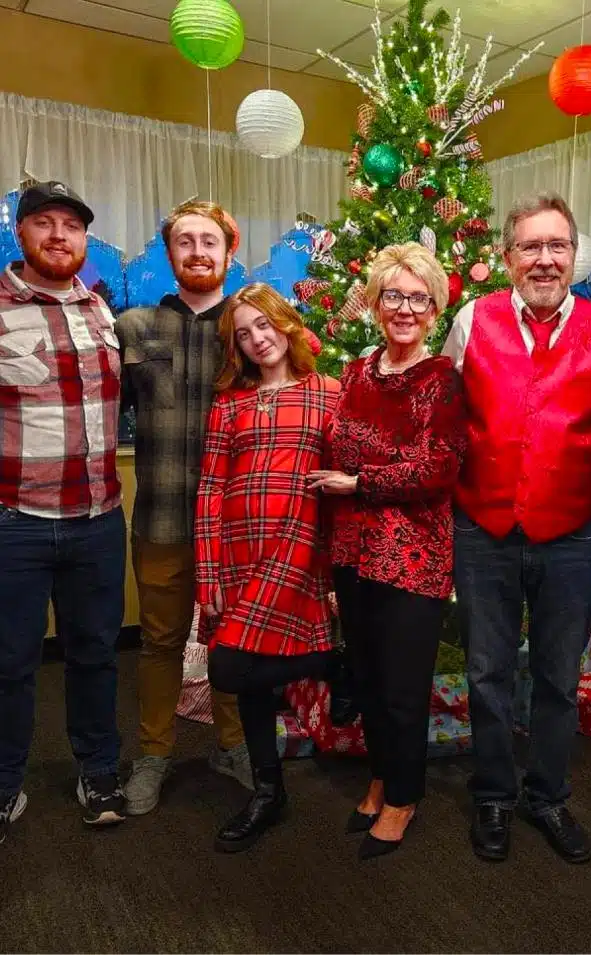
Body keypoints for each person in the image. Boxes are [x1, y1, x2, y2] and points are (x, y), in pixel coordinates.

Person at [442, 194, 591, 864]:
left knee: (557, 675)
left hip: (571, 530)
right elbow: (445, 413)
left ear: (573, 254)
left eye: (557, 246)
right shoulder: (471, 319)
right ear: (507, 257)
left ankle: (546, 794)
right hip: (483, 526)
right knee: (485, 670)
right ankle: (492, 793)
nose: (545, 259)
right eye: (531, 247)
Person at [309, 242, 466, 861]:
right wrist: (355, 483)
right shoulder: (355, 373)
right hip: (352, 551)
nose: (405, 308)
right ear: (375, 303)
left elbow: (440, 466)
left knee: (403, 685)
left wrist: (362, 482)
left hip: (413, 558)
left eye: (418, 299)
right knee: (370, 678)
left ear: (434, 311)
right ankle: (380, 775)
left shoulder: (442, 380)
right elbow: (336, 450)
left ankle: (404, 794)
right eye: (393, 295)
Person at [0, 181, 127, 841]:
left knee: (97, 653)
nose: (58, 236)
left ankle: (98, 768)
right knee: (10, 660)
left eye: (71, 226)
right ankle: (3, 785)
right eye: (44, 223)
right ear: (20, 234)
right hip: (14, 523)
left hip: (99, 520)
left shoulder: (99, 311)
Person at [195, 283, 340, 853]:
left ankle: (338, 664)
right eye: (244, 333)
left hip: (301, 552)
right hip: (240, 554)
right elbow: (210, 489)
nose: (258, 339)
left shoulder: (329, 393)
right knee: (232, 671)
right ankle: (267, 789)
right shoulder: (230, 403)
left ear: (287, 324)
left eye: (265, 325)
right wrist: (209, 574)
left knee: (240, 667)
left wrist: (334, 573)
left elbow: (343, 483)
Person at [116, 200, 248, 817]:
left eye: (209, 241)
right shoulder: (134, 327)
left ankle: (234, 745)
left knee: (233, 641)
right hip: (163, 521)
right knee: (160, 642)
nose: (198, 251)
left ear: (229, 251)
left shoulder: (251, 329)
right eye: (185, 242)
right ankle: (153, 755)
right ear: (170, 254)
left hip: (237, 529)